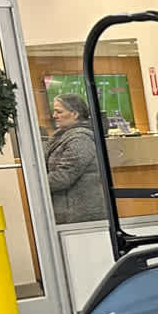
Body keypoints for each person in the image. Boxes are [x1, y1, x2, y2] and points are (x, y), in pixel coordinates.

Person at [45, 93, 105, 224]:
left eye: (59, 111)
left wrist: (37, 184)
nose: (54, 116)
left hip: (80, 215)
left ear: (75, 114)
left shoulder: (80, 139)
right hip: (68, 212)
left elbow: (63, 177)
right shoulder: (62, 135)